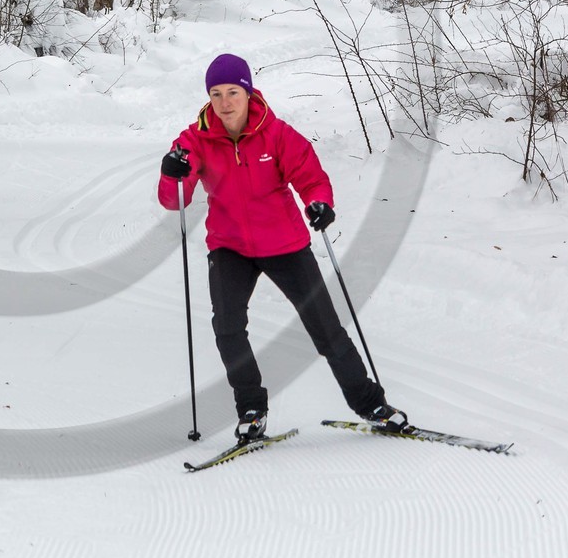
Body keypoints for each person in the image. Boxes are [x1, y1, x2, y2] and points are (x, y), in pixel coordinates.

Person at [157, 52, 403, 444]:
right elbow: (174, 201)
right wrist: (172, 174)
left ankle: (370, 404)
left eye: (233, 92)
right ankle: (251, 410)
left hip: (285, 243)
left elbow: (310, 176)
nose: (225, 102)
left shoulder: (276, 133)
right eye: (216, 93)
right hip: (229, 246)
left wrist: (319, 203)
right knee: (228, 327)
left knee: (326, 328)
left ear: (248, 92)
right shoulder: (194, 140)